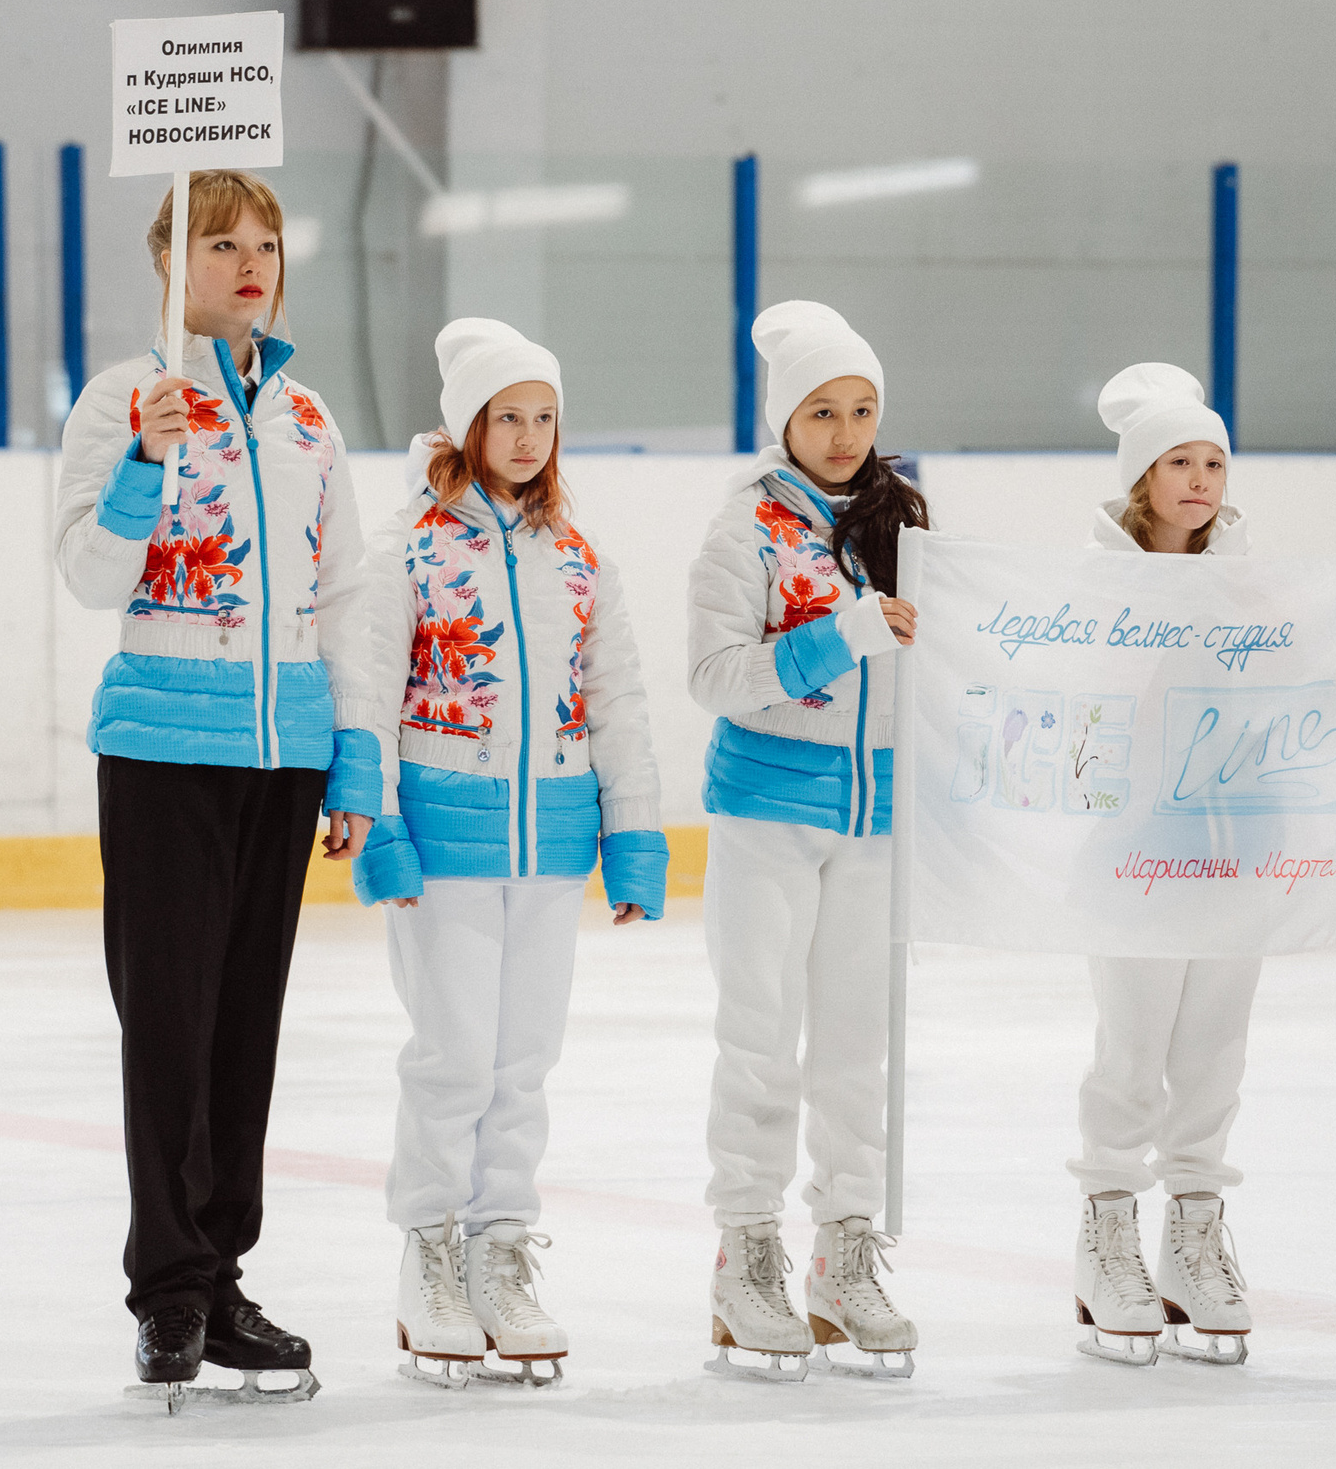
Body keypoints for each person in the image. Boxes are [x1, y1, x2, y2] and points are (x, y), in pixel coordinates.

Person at [51, 168, 379, 1408]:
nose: (251, 264)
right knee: (169, 1028)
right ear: (169, 265)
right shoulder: (119, 401)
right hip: (162, 753)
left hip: (282, 754)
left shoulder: (306, 420)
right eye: (222, 243)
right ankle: (170, 1286)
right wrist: (144, 455)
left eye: (268, 245)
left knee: (246, 1027)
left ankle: (222, 1272)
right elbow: (88, 573)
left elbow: (344, 591)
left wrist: (352, 752)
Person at [1069, 364, 1336, 1367]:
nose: (1201, 479)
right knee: (1132, 1045)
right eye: (1178, 461)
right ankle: (1105, 1229)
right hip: (1130, 853)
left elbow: (1313, 656)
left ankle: (1193, 1230)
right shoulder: (1089, 580)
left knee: (1212, 1048)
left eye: (1214, 462)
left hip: (1234, 843)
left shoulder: (1252, 579)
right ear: (1140, 477)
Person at [347, 319, 669, 1387]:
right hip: (443, 844)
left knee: (522, 1063)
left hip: (552, 846)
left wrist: (633, 837)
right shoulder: (406, 547)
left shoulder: (579, 561)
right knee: (451, 1056)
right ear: (465, 426)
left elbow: (618, 705)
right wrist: (377, 828)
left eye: (544, 419)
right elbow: (368, 693)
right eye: (507, 417)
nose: (528, 438)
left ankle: (500, 1246)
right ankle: (429, 1249)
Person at [686, 301, 927, 1381]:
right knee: (759, 1037)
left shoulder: (906, 520)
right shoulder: (744, 529)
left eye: (861, 409)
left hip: (878, 824)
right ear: (784, 418)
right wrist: (844, 634)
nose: (843, 431)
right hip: (767, 816)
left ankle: (845, 1254)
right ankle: (746, 1255)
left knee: (854, 1052)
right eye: (822, 410)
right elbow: (717, 677)